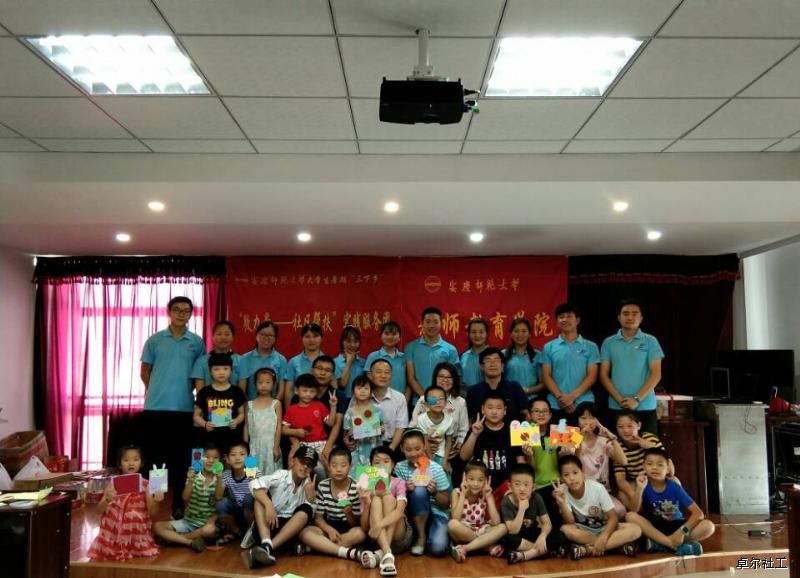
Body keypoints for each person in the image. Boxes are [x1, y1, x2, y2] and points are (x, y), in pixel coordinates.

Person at [140, 296, 205, 518]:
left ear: (190, 314)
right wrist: (157, 390)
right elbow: (145, 372)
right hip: (155, 409)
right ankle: (156, 502)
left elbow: (199, 374)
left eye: (185, 310)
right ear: (169, 312)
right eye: (177, 309)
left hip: (184, 409)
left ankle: (178, 502)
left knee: (181, 458)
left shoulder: (197, 342)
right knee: (156, 458)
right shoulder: (155, 340)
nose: (181, 314)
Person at [625, 448, 715, 556]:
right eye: (649, 464)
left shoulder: (674, 486)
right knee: (630, 516)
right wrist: (639, 489)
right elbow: (633, 510)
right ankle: (671, 544)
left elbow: (699, 514)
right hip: (654, 528)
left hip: (677, 525)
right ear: (643, 467)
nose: (654, 467)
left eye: (660, 464)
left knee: (708, 526)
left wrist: (682, 531)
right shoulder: (642, 485)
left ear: (667, 469)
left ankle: (659, 545)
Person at [243, 446, 317, 568]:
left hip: (289, 533)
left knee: (306, 509)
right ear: (293, 461)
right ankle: (266, 543)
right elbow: (255, 483)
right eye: (302, 462)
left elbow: (310, 518)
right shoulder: (281, 475)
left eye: (309, 465)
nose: (305, 467)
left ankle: (267, 548)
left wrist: (310, 499)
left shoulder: (309, 486)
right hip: (268, 526)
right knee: (259, 498)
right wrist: (268, 505)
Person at [553, 455, 640, 559]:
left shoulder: (597, 488)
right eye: (566, 475)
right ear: (561, 478)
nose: (572, 478)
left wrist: (604, 537)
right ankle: (615, 546)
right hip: (584, 532)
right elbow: (570, 522)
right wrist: (562, 503)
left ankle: (588, 550)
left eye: (575, 473)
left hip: (604, 528)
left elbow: (613, 517)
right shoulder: (561, 491)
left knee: (635, 529)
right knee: (565, 529)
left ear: (582, 473)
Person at [600, 299, 665, 435]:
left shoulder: (650, 341)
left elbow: (656, 374)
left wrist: (636, 399)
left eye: (634, 314)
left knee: (648, 445)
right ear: (619, 317)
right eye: (626, 313)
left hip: (645, 406)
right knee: (616, 446)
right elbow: (604, 375)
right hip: (617, 405)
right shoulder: (608, 342)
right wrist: (620, 399)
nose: (630, 317)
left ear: (641, 318)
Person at [87, 445, 161, 561]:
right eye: (126, 460)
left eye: (136, 459)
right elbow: (98, 511)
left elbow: (153, 513)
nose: (131, 463)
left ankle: (130, 545)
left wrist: (156, 499)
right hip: (113, 535)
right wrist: (107, 499)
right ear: (119, 464)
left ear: (141, 463)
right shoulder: (112, 484)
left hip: (137, 535)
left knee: (133, 514)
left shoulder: (147, 485)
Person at [298, 448, 368, 561]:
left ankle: (320, 547)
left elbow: (356, 523)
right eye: (334, 465)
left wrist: (349, 513)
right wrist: (329, 529)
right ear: (329, 467)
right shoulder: (323, 486)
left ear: (350, 467)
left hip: (348, 528)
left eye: (343, 465)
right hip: (328, 527)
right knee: (305, 532)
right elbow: (318, 518)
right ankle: (344, 550)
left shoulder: (356, 488)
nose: (338, 469)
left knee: (360, 534)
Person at [153, 442, 222, 552]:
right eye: (206, 457)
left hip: (206, 525)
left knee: (209, 530)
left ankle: (176, 539)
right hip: (188, 522)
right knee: (157, 526)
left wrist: (219, 479)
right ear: (200, 459)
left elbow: (218, 497)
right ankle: (190, 542)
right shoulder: (194, 477)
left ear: (220, 461)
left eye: (215, 458)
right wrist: (190, 481)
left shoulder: (220, 479)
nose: (211, 460)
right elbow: (185, 497)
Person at [394, 429, 451, 557]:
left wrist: (434, 492)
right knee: (418, 490)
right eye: (408, 450)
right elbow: (395, 497)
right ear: (402, 449)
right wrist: (404, 488)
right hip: (411, 512)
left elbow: (446, 503)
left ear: (425, 446)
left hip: (436, 512)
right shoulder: (399, 468)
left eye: (417, 449)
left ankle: (433, 535)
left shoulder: (436, 468)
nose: (413, 453)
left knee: (438, 548)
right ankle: (421, 536)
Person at [459, 391, 524, 501]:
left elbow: (520, 461)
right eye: (490, 408)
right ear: (483, 409)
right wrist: (474, 434)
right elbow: (464, 457)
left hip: (507, 487)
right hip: (480, 485)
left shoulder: (514, 430)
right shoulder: (476, 428)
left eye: (498, 408)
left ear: (505, 410)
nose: (494, 412)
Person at [411, 362, 469, 484]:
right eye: (441, 376)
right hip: (424, 451)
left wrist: (458, 447)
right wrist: (423, 445)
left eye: (449, 377)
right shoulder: (423, 400)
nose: (445, 380)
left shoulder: (460, 402)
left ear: (454, 380)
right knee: (423, 483)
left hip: (450, 452)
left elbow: (463, 430)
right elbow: (412, 427)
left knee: (447, 483)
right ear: (435, 379)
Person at [359, 446, 413, 576]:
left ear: (393, 464)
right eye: (377, 463)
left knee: (388, 498)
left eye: (386, 461)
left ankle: (383, 553)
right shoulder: (366, 486)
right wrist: (367, 503)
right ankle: (386, 554)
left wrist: (379, 525)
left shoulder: (398, 482)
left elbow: (399, 512)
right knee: (376, 500)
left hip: (400, 538)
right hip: (376, 539)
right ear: (371, 467)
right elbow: (364, 527)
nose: (382, 465)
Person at [541, 303, 600, 421]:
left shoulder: (591, 346)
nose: (565, 319)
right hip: (555, 404)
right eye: (561, 317)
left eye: (569, 316)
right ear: (557, 322)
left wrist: (571, 397)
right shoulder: (549, 347)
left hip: (584, 404)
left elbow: (592, 376)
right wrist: (560, 398)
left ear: (577, 320)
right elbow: (546, 376)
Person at [521, 397, 570, 534]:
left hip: (556, 483)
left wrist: (563, 455)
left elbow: (565, 465)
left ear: (550, 415)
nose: (541, 414)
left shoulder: (559, 432)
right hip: (535, 486)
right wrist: (529, 455)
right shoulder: (524, 435)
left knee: (558, 519)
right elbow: (531, 469)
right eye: (537, 411)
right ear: (529, 415)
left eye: (544, 411)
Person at [572, 402, 627, 519]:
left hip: (602, 492)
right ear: (577, 420)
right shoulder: (573, 440)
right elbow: (575, 464)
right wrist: (580, 436)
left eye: (592, 417)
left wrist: (611, 437)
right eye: (583, 418)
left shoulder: (603, 441)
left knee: (620, 511)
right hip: (582, 492)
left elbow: (623, 461)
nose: (588, 422)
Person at [613, 410, 675, 511]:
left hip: (656, 479)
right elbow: (620, 480)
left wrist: (651, 447)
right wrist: (633, 495)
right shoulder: (617, 446)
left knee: (674, 481)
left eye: (630, 426)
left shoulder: (650, 438)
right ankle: (645, 514)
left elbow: (671, 471)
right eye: (620, 427)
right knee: (622, 495)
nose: (625, 430)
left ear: (639, 425)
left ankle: (669, 513)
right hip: (637, 482)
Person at [448, 461, 507, 563]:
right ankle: (487, 546)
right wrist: (463, 494)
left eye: (480, 480)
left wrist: (489, 497)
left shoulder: (485, 494)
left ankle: (466, 548)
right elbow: (455, 518)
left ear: (486, 481)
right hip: (463, 531)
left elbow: (496, 522)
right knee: (452, 524)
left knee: (503, 527)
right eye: (471, 479)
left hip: (481, 529)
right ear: (464, 477)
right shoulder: (456, 493)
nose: (475, 484)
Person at [283, 373, 336, 478]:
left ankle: (330, 485)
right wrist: (296, 432)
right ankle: (293, 486)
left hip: (321, 443)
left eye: (312, 391)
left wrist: (333, 406)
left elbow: (330, 423)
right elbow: (284, 429)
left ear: (316, 392)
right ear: (296, 390)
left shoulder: (319, 406)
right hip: (303, 445)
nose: (308, 394)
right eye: (305, 391)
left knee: (328, 464)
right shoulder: (291, 410)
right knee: (293, 463)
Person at [193, 353, 247, 455]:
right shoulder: (204, 392)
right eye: (216, 369)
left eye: (225, 369)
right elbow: (196, 416)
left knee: (229, 461)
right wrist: (205, 424)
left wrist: (236, 421)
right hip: (210, 438)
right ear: (210, 371)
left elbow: (242, 413)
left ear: (231, 371)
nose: (221, 372)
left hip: (232, 437)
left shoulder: (236, 391)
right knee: (211, 462)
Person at [499, 463, 553, 564]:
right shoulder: (506, 501)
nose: (522, 489)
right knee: (506, 539)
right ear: (510, 486)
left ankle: (524, 555)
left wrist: (542, 536)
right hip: (518, 537)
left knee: (559, 534)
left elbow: (547, 523)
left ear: (533, 487)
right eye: (517, 484)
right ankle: (541, 551)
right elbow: (513, 531)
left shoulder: (536, 497)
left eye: (526, 484)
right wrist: (522, 509)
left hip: (532, 534)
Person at [405, 307, 459, 404]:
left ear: (441, 323)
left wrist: (437, 400)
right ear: (422, 323)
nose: (431, 325)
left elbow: (451, 378)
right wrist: (426, 398)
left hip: (443, 403)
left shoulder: (450, 350)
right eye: (428, 322)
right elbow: (411, 378)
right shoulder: (411, 347)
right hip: (418, 402)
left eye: (435, 322)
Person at [466, 347, 530, 423]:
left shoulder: (514, 387)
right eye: (488, 360)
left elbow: (526, 415)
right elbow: (469, 419)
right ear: (482, 367)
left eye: (496, 360)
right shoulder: (473, 391)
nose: (492, 364)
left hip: (512, 430)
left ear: (502, 366)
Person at [215, 441, 260, 545]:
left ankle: (251, 532)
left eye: (242, 454)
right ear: (227, 459)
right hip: (237, 512)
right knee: (221, 504)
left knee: (248, 498)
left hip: (251, 512)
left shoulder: (254, 472)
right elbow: (218, 497)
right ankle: (237, 531)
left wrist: (251, 474)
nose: (237, 458)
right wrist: (219, 477)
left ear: (248, 458)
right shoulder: (226, 475)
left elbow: (259, 494)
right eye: (233, 455)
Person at [363, 358, 408, 453]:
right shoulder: (361, 396)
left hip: (391, 445)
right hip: (365, 445)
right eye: (378, 372)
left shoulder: (399, 398)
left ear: (391, 375)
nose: (383, 376)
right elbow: (351, 422)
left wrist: (390, 449)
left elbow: (401, 427)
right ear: (370, 375)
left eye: (387, 372)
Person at [410, 384, 457, 474]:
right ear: (427, 403)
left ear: (446, 402)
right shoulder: (421, 419)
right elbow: (424, 440)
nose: (437, 402)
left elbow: (449, 441)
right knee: (423, 476)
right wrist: (432, 461)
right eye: (433, 400)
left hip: (441, 453)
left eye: (441, 399)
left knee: (444, 475)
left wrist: (445, 461)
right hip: (424, 453)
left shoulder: (449, 420)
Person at [244, 367, 282, 476]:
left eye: (267, 382)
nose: (264, 385)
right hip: (253, 447)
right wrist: (245, 448)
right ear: (255, 384)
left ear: (273, 384)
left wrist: (276, 447)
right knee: (251, 476)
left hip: (271, 446)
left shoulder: (276, 404)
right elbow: (246, 427)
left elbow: (279, 426)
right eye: (260, 382)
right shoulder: (249, 404)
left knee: (272, 477)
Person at [238, 320, 288, 402]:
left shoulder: (281, 360)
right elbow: (242, 389)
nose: (266, 338)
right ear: (256, 335)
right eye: (263, 334)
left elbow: (281, 390)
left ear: (275, 338)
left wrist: (273, 406)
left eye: (270, 335)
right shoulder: (245, 359)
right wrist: (249, 406)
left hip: (273, 406)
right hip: (250, 405)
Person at [343, 375, 384, 473]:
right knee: (357, 477)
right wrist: (348, 436)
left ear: (371, 392)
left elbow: (381, 427)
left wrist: (381, 428)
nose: (362, 391)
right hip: (356, 450)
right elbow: (345, 434)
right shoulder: (350, 412)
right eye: (359, 388)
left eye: (366, 388)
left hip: (374, 448)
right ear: (353, 391)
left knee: (374, 477)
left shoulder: (377, 410)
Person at [191, 320, 242, 391]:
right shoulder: (201, 362)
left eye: (227, 334)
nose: (223, 337)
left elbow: (241, 392)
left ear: (233, 337)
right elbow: (200, 393)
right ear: (213, 337)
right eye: (219, 334)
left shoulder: (241, 361)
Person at [284, 323, 325, 407]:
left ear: (321, 338)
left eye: (315, 336)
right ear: (302, 338)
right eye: (307, 336)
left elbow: (334, 388)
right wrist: (289, 411)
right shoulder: (294, 362)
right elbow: (289, 391)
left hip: (322, 406)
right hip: (299, 407)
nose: (311, 340)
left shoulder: (327, 362)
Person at [503, 318, 544, 398]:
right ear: (511, 334)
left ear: (529, 334)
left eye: (524, 331)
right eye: (516, 331)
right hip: (509, 398)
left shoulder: (537, 355)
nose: (520, 334)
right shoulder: (503, 354)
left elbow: (543, 384)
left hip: (532, 399)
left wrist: (528, 390)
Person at [365, 321, 406, 395]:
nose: (390, 337)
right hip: (378, 398)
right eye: (386, 334)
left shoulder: (404, 357)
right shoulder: (373, 356)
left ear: (399, 337)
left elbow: (409, 382)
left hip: (401, 399)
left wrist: (405, 399)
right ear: (381, 336)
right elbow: (369, 380)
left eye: (394, 334)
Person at [335, 325, 366, 397]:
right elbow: (342, 384)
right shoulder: (335, 362)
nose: (352, 345)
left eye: (355, 341)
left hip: (360, 400)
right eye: (348, 341)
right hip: (342, 401)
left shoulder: (363, 362)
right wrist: (349, 362)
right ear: (342, 342)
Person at [460, 318, 489, 392]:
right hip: (466, 395)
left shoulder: (493, 355)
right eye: (473, 332)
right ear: (468, 334)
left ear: (486, 334)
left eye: (481, 332)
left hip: (487, 395)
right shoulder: (463, 356)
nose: (477, 335)